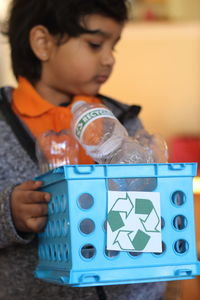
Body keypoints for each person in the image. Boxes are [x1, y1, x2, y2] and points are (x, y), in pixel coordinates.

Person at [0, 0, 166, 299]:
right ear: (43, 43)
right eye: (95, 44)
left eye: (113, 46)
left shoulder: (122, 119)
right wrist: (8, 212)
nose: (109, 59)